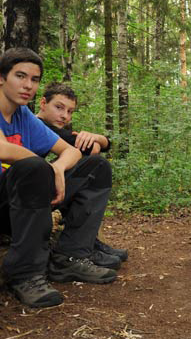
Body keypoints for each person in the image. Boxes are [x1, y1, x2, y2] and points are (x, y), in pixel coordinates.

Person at [0, 48, 116, 308]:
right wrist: (45, 169)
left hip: (11, 206)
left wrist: (57, 170)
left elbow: (70, 151)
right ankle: (25, 274)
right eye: (20, 76)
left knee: (96, 166)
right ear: (0, 77)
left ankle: (69, 257)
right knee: (32, 166)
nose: (28, 85)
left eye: (34, 80)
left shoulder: (23, 115)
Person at [36, 83, 127, 267]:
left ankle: (85, 242)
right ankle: (74, 250)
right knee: (95, 167)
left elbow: (101, 145)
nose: (65, 116)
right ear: (43, 104)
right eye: (59, 107)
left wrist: (95, 137)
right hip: (23, 195)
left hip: (33, 190)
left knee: (87, 168)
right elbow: (94, 149)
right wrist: (95, 139)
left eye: (70, 111)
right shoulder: (37, 125)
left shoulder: (54, 129)